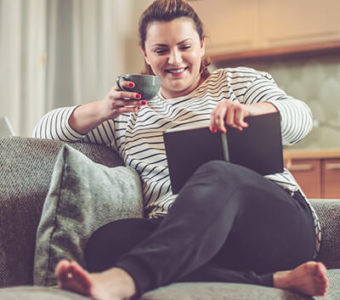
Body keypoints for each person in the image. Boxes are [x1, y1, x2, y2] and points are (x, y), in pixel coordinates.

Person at [33, 0, 329, 299]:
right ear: (145, 54)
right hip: (189, 242)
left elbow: (301, 119)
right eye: (161, 50)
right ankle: (271, 281)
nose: (175, 59)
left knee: (217, 173)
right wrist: (101, 108)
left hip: (274, 229)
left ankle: (125, 279)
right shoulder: (127, 114)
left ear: (202, 45)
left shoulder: (237, 82)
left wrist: (252, 112)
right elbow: (42, 133)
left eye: (184, 46)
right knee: (107, 241)